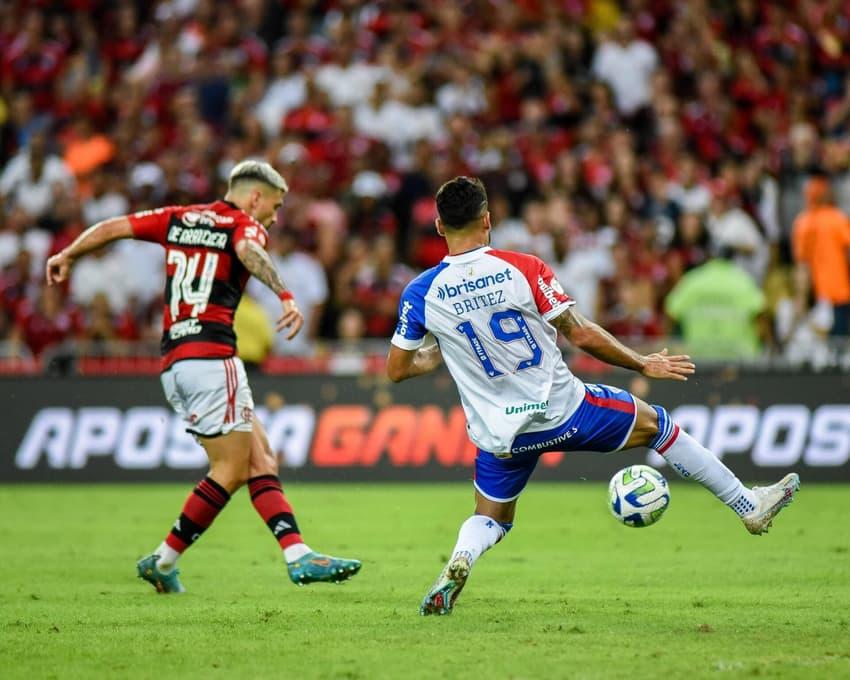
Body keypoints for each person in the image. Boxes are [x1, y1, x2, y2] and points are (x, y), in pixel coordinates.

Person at [386, 177, 799, 616]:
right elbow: (579, 332)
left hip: (500, 435)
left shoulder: (421, 292)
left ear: (438, 227)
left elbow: (397, 370)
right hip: (565, 410)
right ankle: (747, 505)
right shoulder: (524, 268)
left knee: (492, 517)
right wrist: (641, 362)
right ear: (488, 220)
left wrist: (444, 350)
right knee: (657, 425)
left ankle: (459, 560)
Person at [46, 160, 361, 593]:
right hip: (214, 358)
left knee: (260, 457)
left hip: (175, 363)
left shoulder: (177, 218)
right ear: (254, 197)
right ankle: (167, 557)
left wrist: (68, 253)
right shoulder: (243, 225)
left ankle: (294, 554)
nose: (274, 215)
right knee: (231, 469)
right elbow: (251, 250)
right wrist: (285, 294)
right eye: (275, 204)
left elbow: (113, 226)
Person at [792, 176, 850, 337]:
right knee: (838, 345)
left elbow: (801, 263)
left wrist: (800, 295)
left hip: (813, 293)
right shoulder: (837, 219)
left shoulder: (802, 222)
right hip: (838, 291)